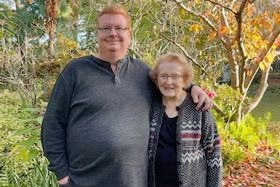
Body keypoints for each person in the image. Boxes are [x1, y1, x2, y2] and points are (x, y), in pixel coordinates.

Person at [41, 5, 212, 187]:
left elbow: (170, 84)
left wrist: (193, 87)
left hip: (135, 182)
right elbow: (52, 125)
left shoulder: (142, 72)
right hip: (83, 181)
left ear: (129, 34)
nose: (112, 33)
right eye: (106, 28)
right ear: (97, 33)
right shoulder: (75, 72)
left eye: (119, 28)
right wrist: (62, 175)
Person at [148, 53, 222, 187]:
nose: (168, 81)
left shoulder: (199, 108)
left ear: (185, 79)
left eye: (175, 76)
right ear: (156, 79)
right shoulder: (150, 106)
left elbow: (214, 155)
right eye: (163, 76)